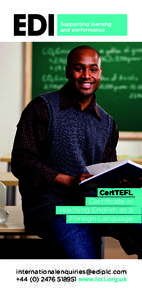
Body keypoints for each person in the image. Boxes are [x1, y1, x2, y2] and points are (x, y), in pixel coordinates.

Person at [11, 45, 142, 258]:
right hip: (53, 207)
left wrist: (125, 185)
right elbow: (22, 161)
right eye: (79, 68)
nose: (86, 75)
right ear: (67, 71)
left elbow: (104, 177)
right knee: (85, 267)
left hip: (94, 203)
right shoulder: (42, 108)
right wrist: (68, 181)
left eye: (93, 69)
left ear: (100, 73)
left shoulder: (108, 123)